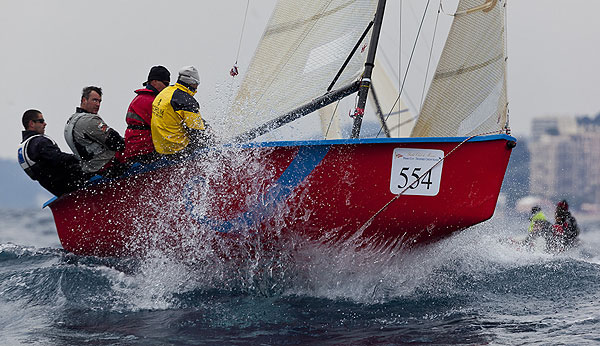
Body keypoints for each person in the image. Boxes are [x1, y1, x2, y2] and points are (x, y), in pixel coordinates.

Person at [18, 109, 91, 196]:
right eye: (41, 121)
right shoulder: (39, 142)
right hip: (71, 183)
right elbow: (58, 159)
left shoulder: (23, 148)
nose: (45, 124)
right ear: (31, 124)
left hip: (56, 190)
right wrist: (80, 158)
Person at [151, 65, 213, 157]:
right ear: (193, 83)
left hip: (161, 149)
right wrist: (212, 141)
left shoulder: (166, 91)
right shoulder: (186, 101)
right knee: (206, 142)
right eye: (197, 84)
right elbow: (197, 133)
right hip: (177, 150)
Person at [64, 86, 127, 177]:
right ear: (84, 100)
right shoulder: (90, 120)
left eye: (99, 101)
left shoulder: (71, 120)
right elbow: (117, 142)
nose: (98, 104)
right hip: (104, 165)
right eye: (94, 100)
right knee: (133, 149)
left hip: (88, 168)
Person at [123, 65, 171, 163]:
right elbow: (166, 127)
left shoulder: (139, 99)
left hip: (135, 149)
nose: (167, 88)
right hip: (144, 150)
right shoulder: (151, 101)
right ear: (154, 82)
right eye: (165, 84)